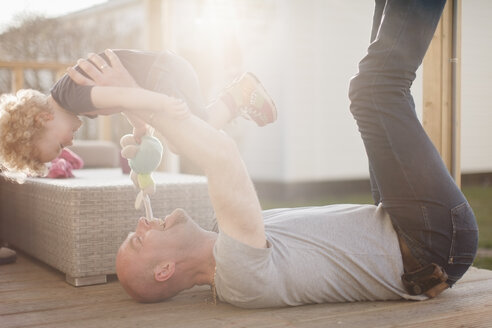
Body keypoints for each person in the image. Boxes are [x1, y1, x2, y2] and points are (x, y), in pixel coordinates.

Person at [73, 0, 478, 308]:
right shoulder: (237, 274)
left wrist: (150, 127)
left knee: (385, 85)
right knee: (374, 92)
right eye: (138, 241)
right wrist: (136, 97)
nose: (142, 225)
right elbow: (222, 157)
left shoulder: (227, 237)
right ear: (165, 271)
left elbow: (204, 142)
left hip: (404, 226)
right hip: (432, 245)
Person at [0, 49, 276, 177]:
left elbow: (124, 94)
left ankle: (240, 94)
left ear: (43, 118)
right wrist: (140, 127)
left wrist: (161, 103)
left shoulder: (73, 93)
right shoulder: (71, 101)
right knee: (183, 142)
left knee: (190, 136)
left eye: (60, 144)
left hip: (164, 73)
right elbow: (123, 102)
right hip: (163, 73)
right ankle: (236, 97)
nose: (70, 144)